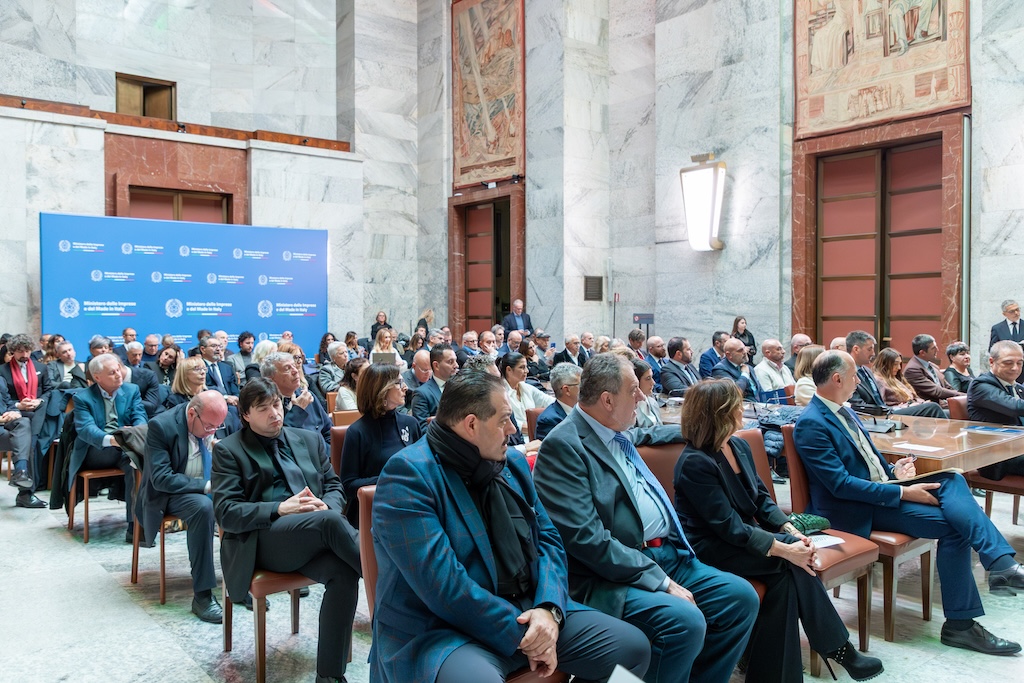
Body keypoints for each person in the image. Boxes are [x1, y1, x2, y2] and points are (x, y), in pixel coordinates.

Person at [369, 371, 651, 683]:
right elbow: (445, 589)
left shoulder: (511, 463)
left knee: (632, 650)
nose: (513, 429)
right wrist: (529, 635)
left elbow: (550, 541)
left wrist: (548, 610)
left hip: (529, 607)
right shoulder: (408, 476)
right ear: (472, 424)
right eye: (504, 419)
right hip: (442, 630)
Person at [533, 353, 758, 682]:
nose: (643, 397)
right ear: (608, 400)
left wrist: (690, 434)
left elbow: (649, 434)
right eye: (634, 390)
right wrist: (661, 581)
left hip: (666, 554)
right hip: (613, 574)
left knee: (739, 599)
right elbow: (588, 540)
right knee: (685, 621)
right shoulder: (563, 447)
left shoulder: (616, 431)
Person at [793, 350, 1024, 655]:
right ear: (837, 379)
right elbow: (840, 485)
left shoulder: (843, 410)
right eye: (853, 377)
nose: (858, 381)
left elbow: (868, 462)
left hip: (880, 490)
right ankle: (964, 620)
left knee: (952, 477)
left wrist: (894, 472)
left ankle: (999, 566)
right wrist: (903, 492)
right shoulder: (812, 423)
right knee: (955, 526)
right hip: (853, 509)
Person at [674, 379, 884, 682]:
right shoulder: (695, 463)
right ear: (719, 413)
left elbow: (760, 499)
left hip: (744, 536)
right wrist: (786, 549)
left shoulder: (738, 444)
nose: (742, 409)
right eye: (737, 405)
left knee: (785, 580)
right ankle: (839, 650)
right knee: (789, 563)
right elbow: (728, 528)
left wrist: (789, 529)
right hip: (711, 547)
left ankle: (774, 672)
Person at [212, 379, 360, 683]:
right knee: (332, 524)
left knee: (343, 572)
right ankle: (393, 583)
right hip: (261, 542)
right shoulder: (229, 450)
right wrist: (280, 508)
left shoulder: (308, 438)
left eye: (277, 405)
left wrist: (325, 506)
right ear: (245, 415)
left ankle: (329, 677)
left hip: (313, 533)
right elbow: (227, 513)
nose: (274, 414)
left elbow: (334, 486)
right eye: (263, 409)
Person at [139, 391, 236, 623]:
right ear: (192, 414)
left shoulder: (215, 421)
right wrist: (206, 486)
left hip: (210, 485)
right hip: (171, 493)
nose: (214, 431)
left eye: (218, 427)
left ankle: (241, 585)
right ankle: (202, 595)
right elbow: (161, 478)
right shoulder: (161, 426)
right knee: (203, 508)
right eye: (210, 426)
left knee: (243, 501)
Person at [69, 353, 148, 539]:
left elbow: (140, 417)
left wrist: (134, 432)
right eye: (112, 373)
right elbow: (86, 430)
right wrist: (113, 439)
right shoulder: (83, 398)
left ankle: (135, 525)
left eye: (119, 370)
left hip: (125, 449)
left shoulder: (131, 390)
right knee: (135, 457)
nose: (119, 375)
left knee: (137, 462)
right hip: (95, 451)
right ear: (97, 378)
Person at [339, 364, 420, 526]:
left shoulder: (410, 423)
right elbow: (348, 485)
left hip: (412, 503)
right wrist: (390, 479)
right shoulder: (357, 432)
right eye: (398, 383)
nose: (405, 388)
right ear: (381, 389)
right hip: (376, 511)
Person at [845, 331, 945, 417]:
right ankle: (947, 439)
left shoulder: (867, 370)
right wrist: (891, 409)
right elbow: (858, 406)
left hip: (887, 410)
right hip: (878, 416)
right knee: (932, 408)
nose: (873, 353)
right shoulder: (847, 373)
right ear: (856, 349)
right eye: (869, 349)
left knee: (942, 411)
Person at [965, 340, 1024, 481]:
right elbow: (1015, 407)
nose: (1015, 368)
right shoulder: (981, 385)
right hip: (997, 457)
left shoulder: (1016, 386)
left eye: (1020, 363)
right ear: (992, 362)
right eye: (1008, 363)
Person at [262, 352, 333, 449]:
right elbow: (280, 441)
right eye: (287, 368)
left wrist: (329, 454)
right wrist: (298, 410)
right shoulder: (267, 406)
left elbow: (329, 431)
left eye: (294, 366)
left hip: (323, 457)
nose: (295, 371)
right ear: (271, 379)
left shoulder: (308, 395)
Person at [903, 334, 964, 407]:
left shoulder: (933, 366)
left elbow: (947, 386)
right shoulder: (912, 370)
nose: (937, 350)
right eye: (933, 348)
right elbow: (936, 391)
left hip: (944, 404)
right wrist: (961, 395)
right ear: (922, 353)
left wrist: (961, 396)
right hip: (930, 408)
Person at [411, 343, 460, 430]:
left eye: (456, 361)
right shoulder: (422, 394)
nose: (456, 365)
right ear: (436, 365)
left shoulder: (461, 387)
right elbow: (422, 431)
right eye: (450, 362)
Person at [499, 352, 553, 430]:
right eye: (522, 367)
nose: (527, 371)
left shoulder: (527, 388)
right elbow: (513, 425)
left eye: (526, 367)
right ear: (509, 370)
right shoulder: (500, 393)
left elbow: (548, 401)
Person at [534, 362, 581, 441]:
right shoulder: (549, 421)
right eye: (581, 384)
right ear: (567, 390)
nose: (587, 388)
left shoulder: (586, 410)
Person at [198, 335, 239, 405]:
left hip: (231, 405)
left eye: (220, 346)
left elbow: (235, 390)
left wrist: (236, 398)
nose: (218, 349)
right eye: (213, 346)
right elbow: (201, 389)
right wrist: (224, 398)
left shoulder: (227, 367)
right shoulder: (198, 367)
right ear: (203, 349)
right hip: (209, 404)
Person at [989, 299, 1024, 382]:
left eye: (1017, 310)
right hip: (1007, 369)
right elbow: (992, 349)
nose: (1016, 313)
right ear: (1004, 314)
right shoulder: (997, 328)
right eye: (1012, 311)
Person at [632, 359, 663, 428]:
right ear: (636, 381)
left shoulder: (652, 401)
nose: (653, 383)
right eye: (648, 378)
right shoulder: (628, 408)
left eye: (652, 377)